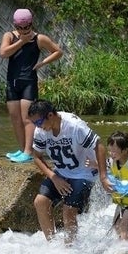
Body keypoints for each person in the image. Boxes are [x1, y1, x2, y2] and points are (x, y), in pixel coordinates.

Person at [28, 99, 110, 243]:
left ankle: (70, 248)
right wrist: (54, 177)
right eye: (34, 123)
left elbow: (99, 146)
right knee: (40, 202)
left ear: (50, 115)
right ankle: (51, 244)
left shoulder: (74, 126)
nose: (38, 127)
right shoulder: (40, 131)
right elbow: (36, 156)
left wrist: (103, 177)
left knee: (68, 210)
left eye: (39, 122)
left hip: (84, 173)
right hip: (61, 172)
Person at [0, 8, 63, 163]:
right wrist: (21, 41)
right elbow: (3, 53)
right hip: (12, 82)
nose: (23, 30)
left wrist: (42, 63)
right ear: (15, 25)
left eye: (26, 27)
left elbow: (58, 51)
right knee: (15, 118)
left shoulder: (39, 38)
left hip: (29, 82)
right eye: (19, 28)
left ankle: (29, 151)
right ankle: (22, 149)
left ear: (31, 24)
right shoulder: (9, 36)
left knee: (27, 118)